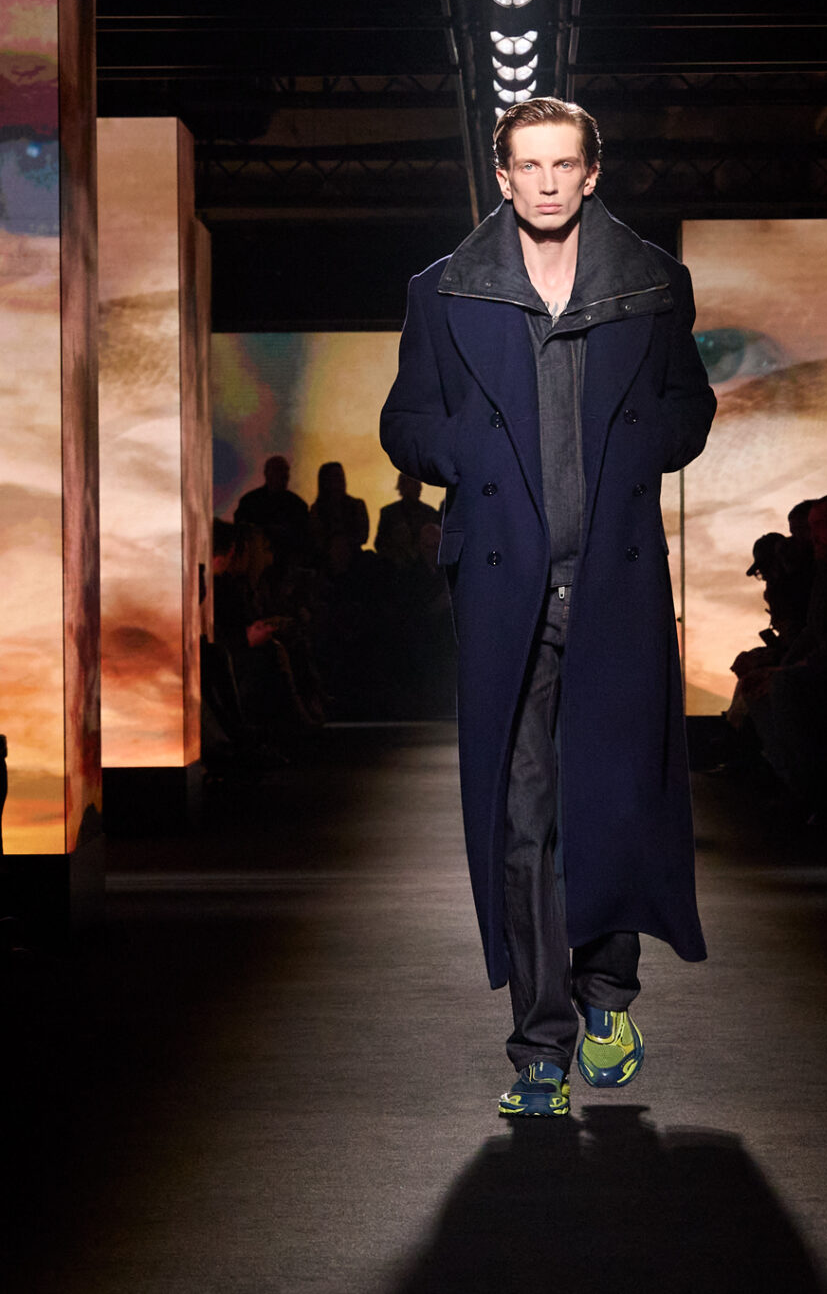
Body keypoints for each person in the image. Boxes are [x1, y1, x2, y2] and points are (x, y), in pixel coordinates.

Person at [380, 97, 716, 1117]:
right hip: (504, 585)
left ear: (591, 172)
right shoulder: (444, 290)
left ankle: (606, 992)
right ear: (502, 176)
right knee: (521, 816)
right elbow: (404, 420)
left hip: (613, 576)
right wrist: (465, 450)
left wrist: (644, 445)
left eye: (563, 164)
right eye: (528, 165)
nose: (546, 182)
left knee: (613, 795)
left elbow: (689, 404)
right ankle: (539, 1048)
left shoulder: (652, 283)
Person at [233, 455, 309, 562]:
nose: (284, 475)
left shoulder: (249, 500)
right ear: (267, 473)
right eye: (279, 470)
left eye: (286, 470)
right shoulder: (297, 504)